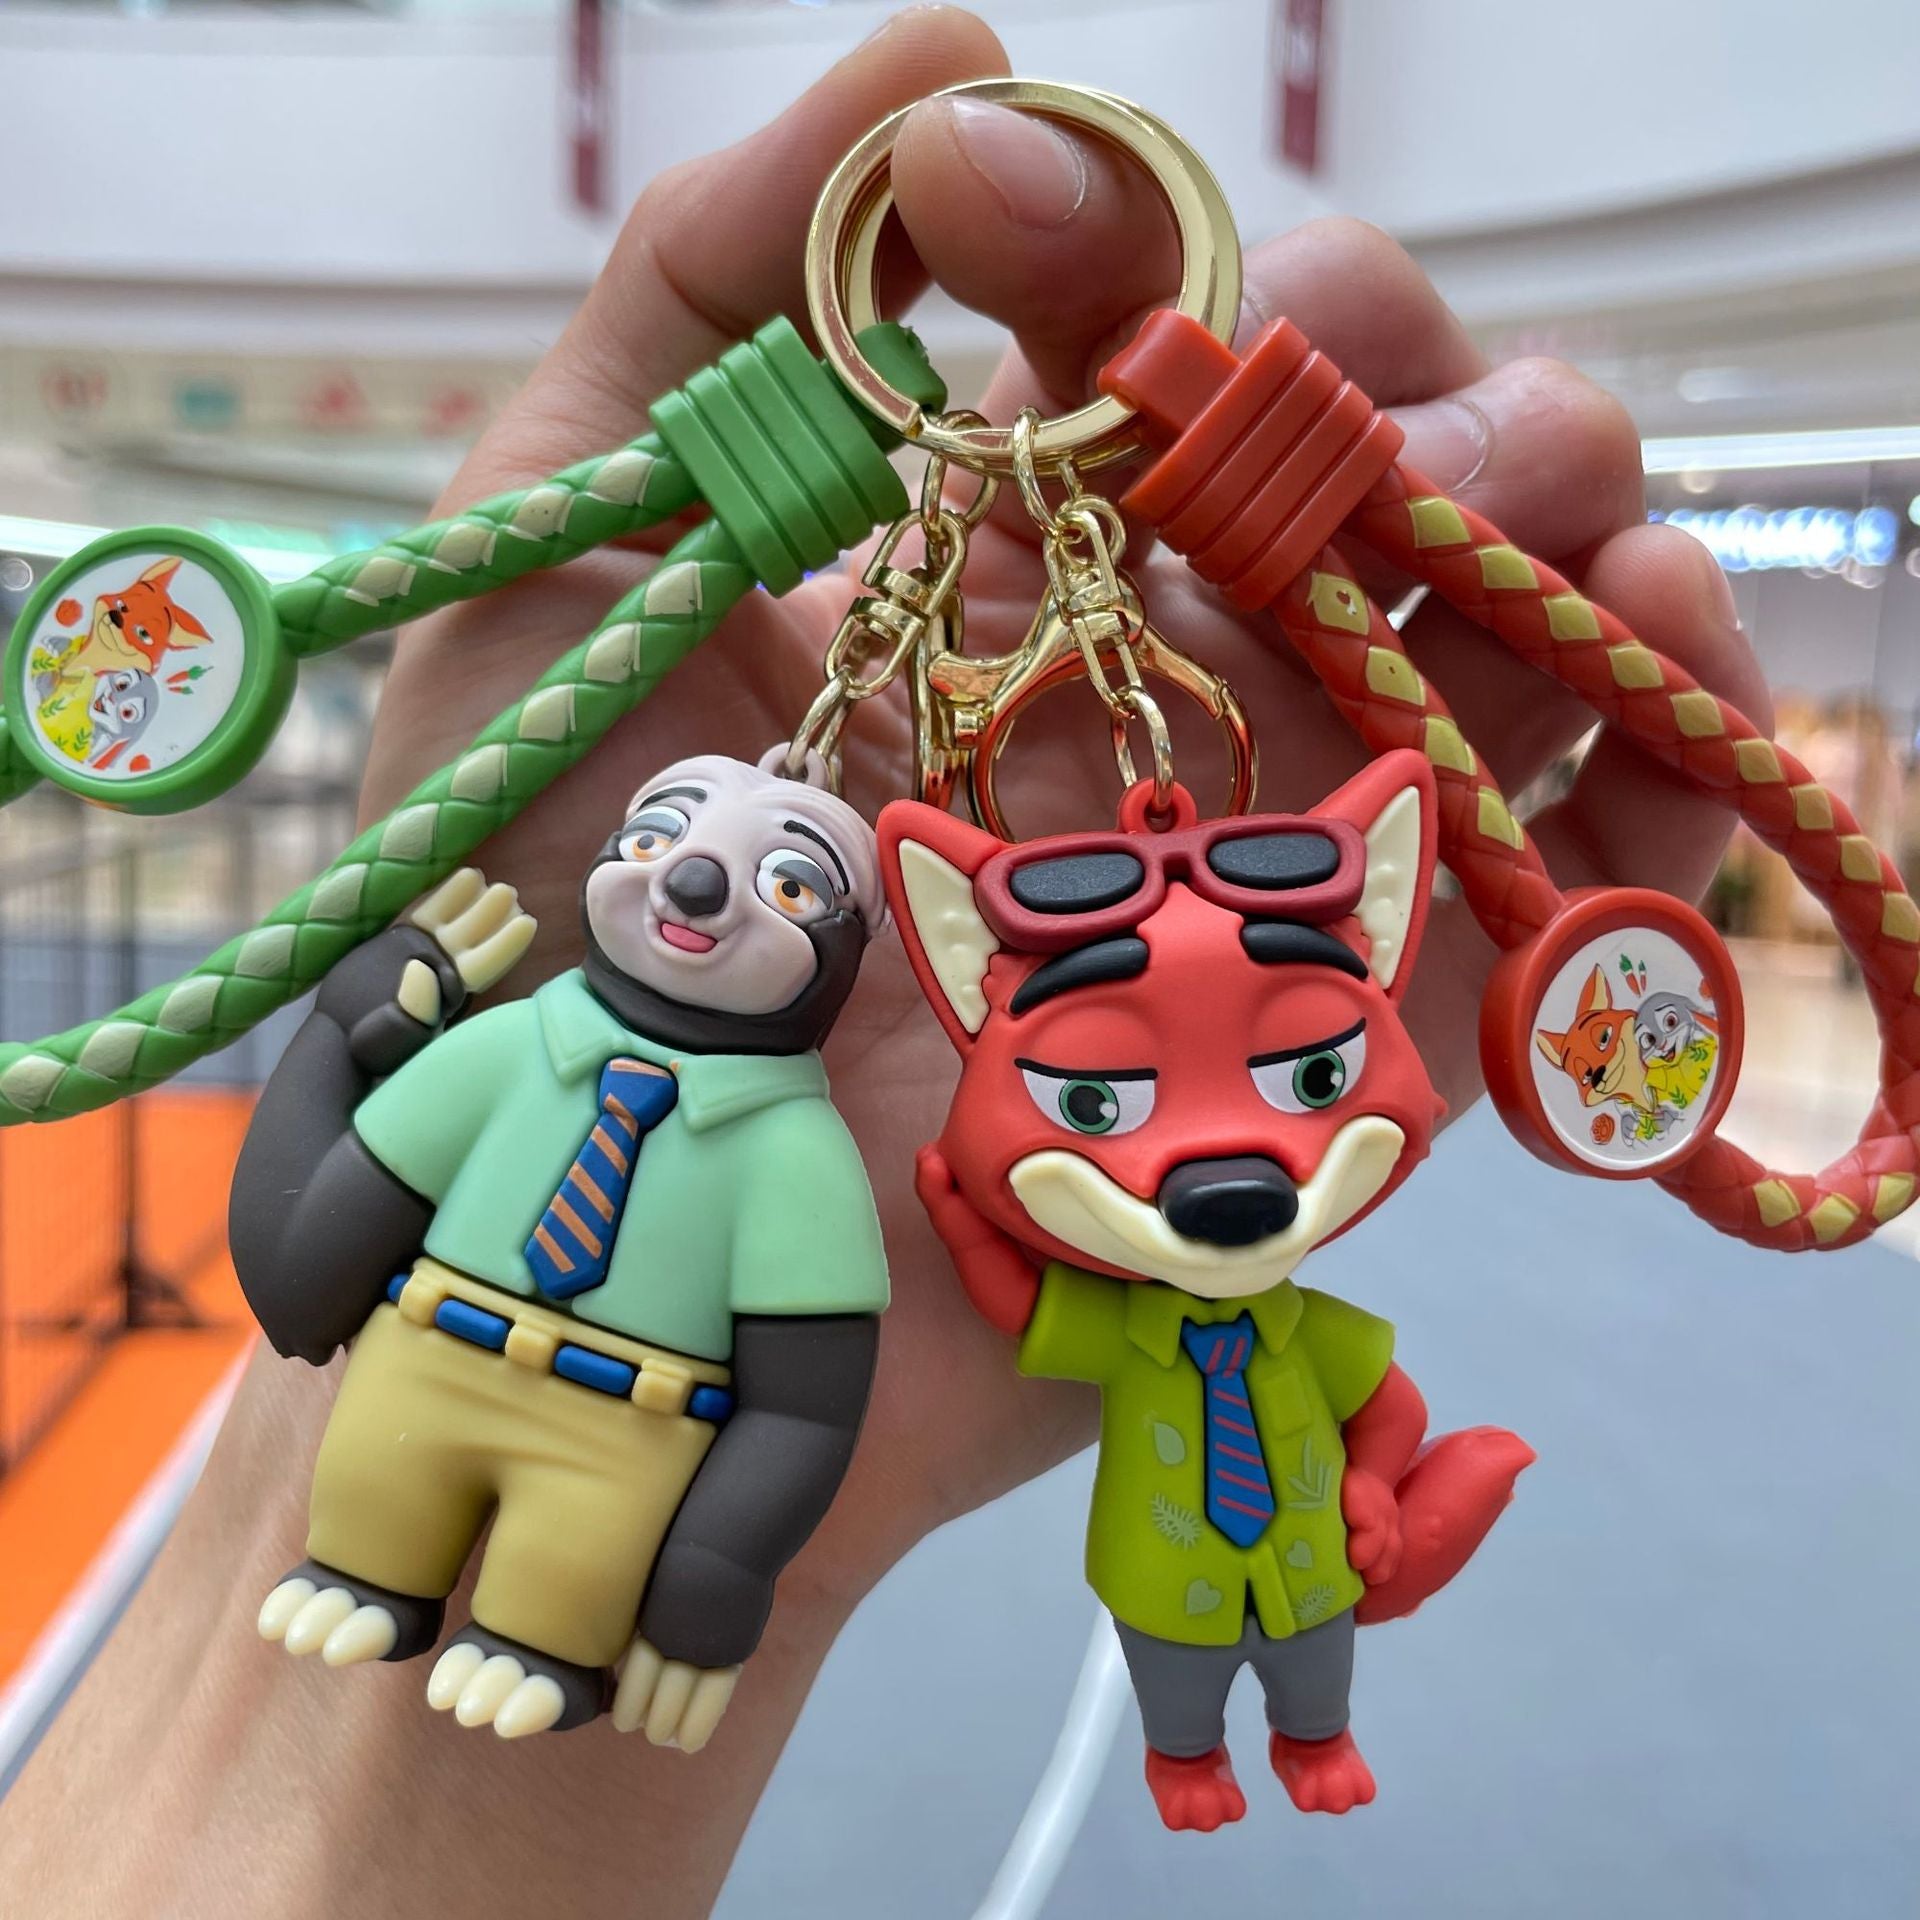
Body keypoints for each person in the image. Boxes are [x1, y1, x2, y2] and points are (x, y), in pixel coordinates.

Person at [0, 8, 1767, 1915]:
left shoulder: (796, 1155)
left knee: (569, 1586)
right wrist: (362, 1023)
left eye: (774, 877)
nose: (696, 886)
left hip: (626, 1456)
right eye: (669, 837)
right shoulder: (567, 1056)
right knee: (401, 1534)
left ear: (872, 949)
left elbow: (810, 1380)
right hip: (432, 1392)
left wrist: (718, 1575)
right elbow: (322, 1242)